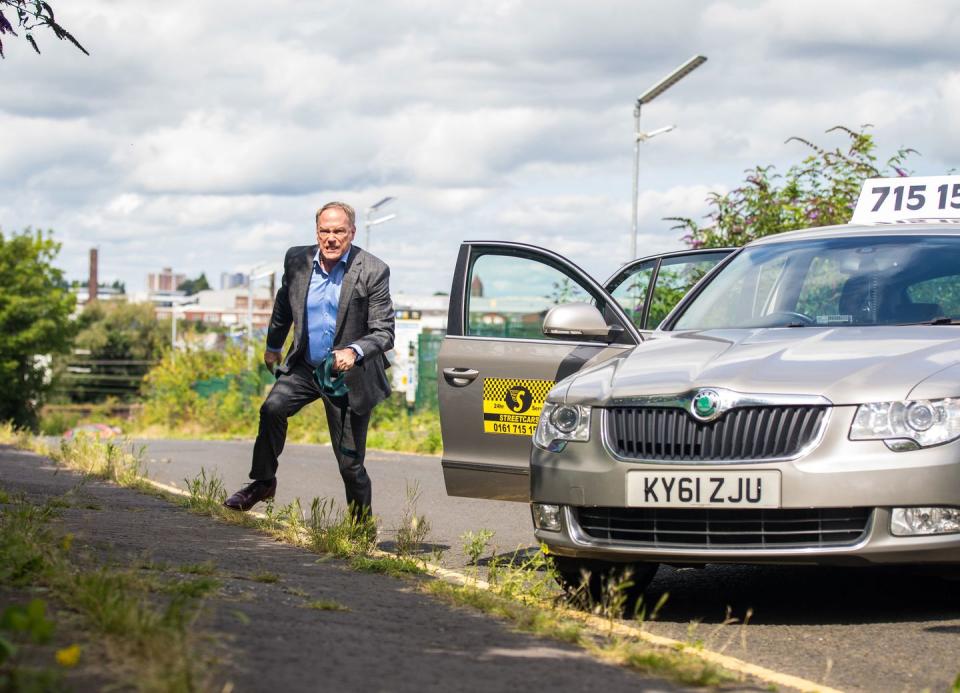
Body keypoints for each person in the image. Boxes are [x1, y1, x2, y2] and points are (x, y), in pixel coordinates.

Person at [224, 201, 395, 519]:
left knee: (349, 462)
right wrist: (274, 344)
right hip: (306, 365)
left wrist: (353, 351)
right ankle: (262, 483)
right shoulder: (297, 260)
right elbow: (284, 303)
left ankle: (360, 529)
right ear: (317, 232)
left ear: (352, 233)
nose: (331, 238)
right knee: (272, 408)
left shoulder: (373, 270)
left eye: (339, 232)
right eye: (325, 231)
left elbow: (384, 332)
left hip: (347, 376)